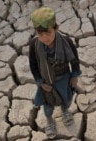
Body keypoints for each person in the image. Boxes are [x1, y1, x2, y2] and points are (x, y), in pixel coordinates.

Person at [29, 7, 82, 139]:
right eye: (40, 35)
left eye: (48, 33)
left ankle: (65, 111)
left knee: (66, 99)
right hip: (46, 81)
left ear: (55, 28)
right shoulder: (34, 46)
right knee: (48, 105)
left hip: (64, 77)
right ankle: (49, 122)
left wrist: (75, 75)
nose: (44, 38)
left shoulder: (66, 42)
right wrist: (40, 82)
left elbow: (74, 60)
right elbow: (33, 66)